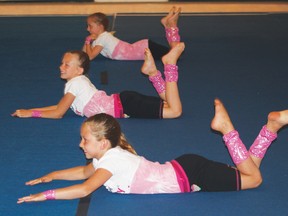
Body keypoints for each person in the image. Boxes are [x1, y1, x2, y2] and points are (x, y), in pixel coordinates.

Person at [17, 99, 288, 203]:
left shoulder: (111, 161)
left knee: (254, 179)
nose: (80, 145)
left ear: (103, 143)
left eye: (84, 140)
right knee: (247, 171)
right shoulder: (108, 157)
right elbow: (82, 171)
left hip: (191, 175)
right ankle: (271, 127)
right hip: (187, 169)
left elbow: (85, 187)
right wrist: (52, 174)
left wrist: (45, 195)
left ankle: (227, 129)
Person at [12, 42, 185, 119]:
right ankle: (152, 72)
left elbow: (58, 113)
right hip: (125, 102)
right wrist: (30, 109)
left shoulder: (75, 83)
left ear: (79, 70)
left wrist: (32, 114)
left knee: (175, 111)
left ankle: (169, 65)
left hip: (126, 105)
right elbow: (59, 107)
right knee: (169, 103)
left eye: (66, 64)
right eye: (61, 63)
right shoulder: (77, 82)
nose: (61, 67)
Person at [82, 7, 181, 61]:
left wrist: (87, 41)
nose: (87, 29)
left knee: (175, 54)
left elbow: (90, 57)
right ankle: (168, 26)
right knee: (173, 54)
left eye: (90, 26)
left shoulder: (102, 38)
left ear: (100, 26)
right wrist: (88, 41)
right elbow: (84, 54)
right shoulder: (99, 39)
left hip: (144, 49)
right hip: (143, 49)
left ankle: (171, 26)